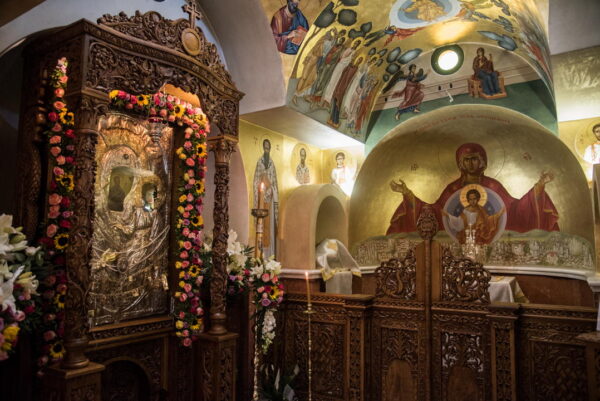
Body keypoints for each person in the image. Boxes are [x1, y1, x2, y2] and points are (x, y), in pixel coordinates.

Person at [386, 142, 559, 236]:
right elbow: (435, 212)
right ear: (460, 163)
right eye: (466, 160)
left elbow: (514, 210)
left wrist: (539, 186)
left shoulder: (493, 186)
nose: (471, 163)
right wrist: (407, 194)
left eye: (474, 159)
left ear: (482, 161)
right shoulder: (453, 188)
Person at [253, 139, 279, 257]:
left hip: (270, 200)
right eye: (265, 148)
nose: (266, 150)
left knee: (270, 227)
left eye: (268, 148)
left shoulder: (272, 164)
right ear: (263, 148)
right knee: (261, 226)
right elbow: (256, 181)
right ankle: (261, 255)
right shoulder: (259, 162)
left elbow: (274, 183)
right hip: (261, 200)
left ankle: (270, 255)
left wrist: (271, 190)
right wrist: (262, 190)